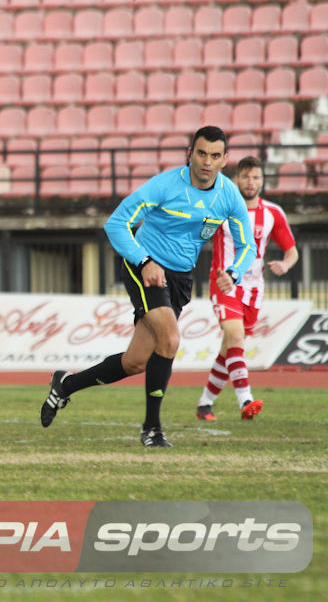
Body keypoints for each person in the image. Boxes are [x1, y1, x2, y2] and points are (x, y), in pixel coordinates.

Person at [39, 126, 255, 447]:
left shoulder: (228, 195)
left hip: (180, 278)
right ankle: (152, 429)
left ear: (225, 160)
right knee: (169, 339)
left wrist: (234, 274)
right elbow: (115, 223)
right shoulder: (165, 185)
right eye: (201, 153)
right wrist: (144, 261)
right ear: (190, 153)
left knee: (136, 361)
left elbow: (247, 245)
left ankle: (65, 385)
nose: (206, 162)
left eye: (214, 156)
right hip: (145, 267)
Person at [196, 156, 298, 421]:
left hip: (254, 289)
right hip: (224, 284)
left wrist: (285, 266)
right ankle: (246, 401)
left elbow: (292, 251)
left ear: (263, 181)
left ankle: (205, 404)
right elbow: (201, 234)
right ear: (236, 179)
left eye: (255, 177)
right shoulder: (221, 208)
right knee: (236, 338)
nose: (250, 182)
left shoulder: (273, 213)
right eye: (245, 177)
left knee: (229, 347)